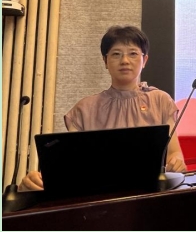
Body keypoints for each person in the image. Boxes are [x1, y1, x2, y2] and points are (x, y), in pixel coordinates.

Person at [20, 25, 186, 191]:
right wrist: (37, 180)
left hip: (151, 194)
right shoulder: (85, 109)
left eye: (133, 53)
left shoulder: (160, 100)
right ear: (105, 61)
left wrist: (176, 161)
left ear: (145, 60)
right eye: (116, 54)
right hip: (98, 196)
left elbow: (174, 153)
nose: (125, 60)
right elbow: (70, 167)